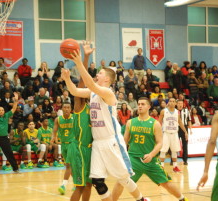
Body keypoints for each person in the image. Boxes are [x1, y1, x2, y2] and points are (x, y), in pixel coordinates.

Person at [62, 50, 149, 201]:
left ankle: (141, 199)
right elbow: (74, 91)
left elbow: (90, 83)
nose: (97, 74)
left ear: (107, 79)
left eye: (100, 73)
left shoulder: (108, 93)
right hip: (97, 143)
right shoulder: (92, 92)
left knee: (124, 179)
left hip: (111, 141)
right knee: (97, 181)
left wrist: (78, 62)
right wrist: (67, 79)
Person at [112, 97, 188, 201]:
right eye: (138, 104)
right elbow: (124, 142)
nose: (139, 106)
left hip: (151, 160)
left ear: (148, 106)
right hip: (133, 159)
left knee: (165, 182)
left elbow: (160, 143)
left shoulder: (155, 124)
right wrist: (120, 156)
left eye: (143, 104)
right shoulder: (130, 122)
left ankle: (182, 199)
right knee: (121, 181)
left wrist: (151, 154)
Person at [63, 41, 93, 201]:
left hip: (90, 150)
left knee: (88, 185)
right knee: (81, 186)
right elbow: (83, 81)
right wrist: (85, 58)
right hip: (79, 149)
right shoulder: (80, 105)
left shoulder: (94, 106)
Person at [159, 98, 188, 172]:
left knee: (174, 150)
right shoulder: (163, 111)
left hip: (174, 133)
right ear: (168, 103)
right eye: (170, 101)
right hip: (166, 133)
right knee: (163, 150)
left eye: (173, 101)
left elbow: (180, 122)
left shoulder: (177, 112)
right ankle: (161, 167)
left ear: (175, 103)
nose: (171, 103)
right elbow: (159, 122)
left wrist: (185, 131)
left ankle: (175, 167)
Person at [51, 102, 74, 195]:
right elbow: (54, 131)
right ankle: (77, 183)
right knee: (69, 166)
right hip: (63, 144)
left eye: (68, 107)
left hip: (73, 144)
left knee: (68, 165)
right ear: (62, 109)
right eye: (65, 107)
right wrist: (53, 137)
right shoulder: (58, 119)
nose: (66, 109)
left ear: (71, 109)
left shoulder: (75, 118)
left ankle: (63, 185)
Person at [177, 100, 192, 165]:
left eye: (181, 103)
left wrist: (190, 129)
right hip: (176, 128)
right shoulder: (174, 111)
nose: (180, 104)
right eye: (179, 103)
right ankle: (173, 160)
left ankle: (185, 160)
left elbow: (189, 120)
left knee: (185, 144)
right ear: (176, 104)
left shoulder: (186, 111)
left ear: (183, 104)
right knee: (173, 144)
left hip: (184, 128)